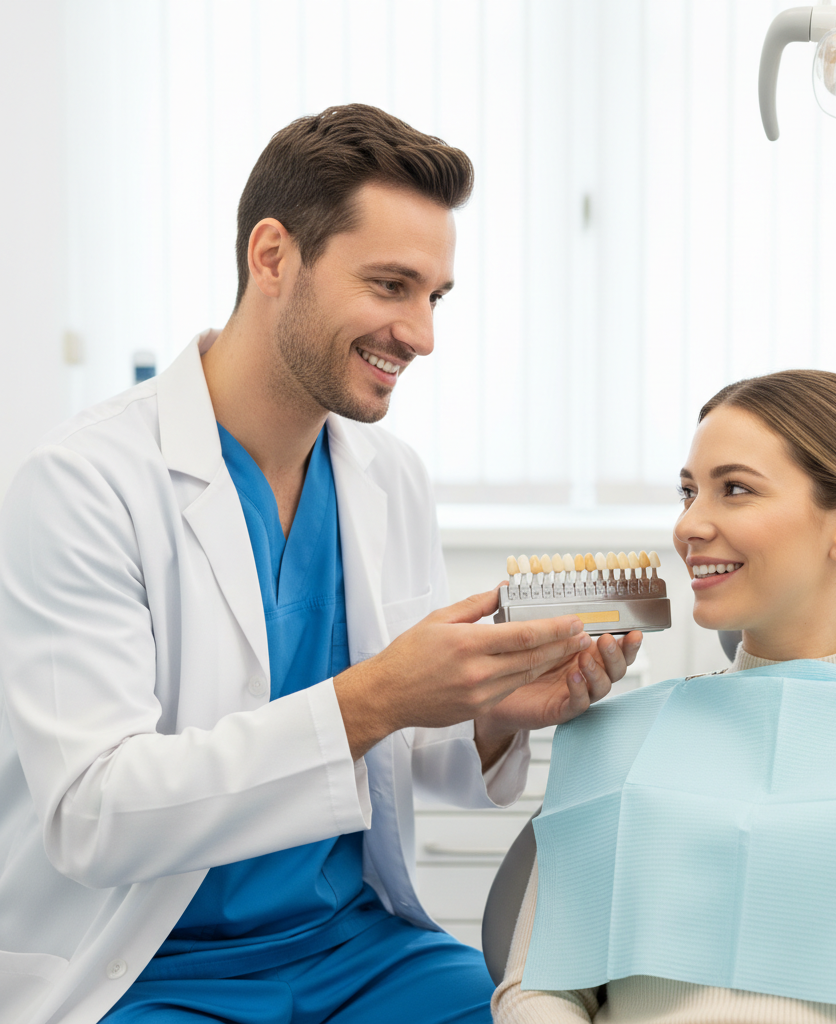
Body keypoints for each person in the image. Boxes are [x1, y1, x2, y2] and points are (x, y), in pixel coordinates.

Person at [0, 104, 642, 1024]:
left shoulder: (388, 476)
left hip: (355, 949)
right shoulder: (82, 484)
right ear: (272, 257)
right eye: (390, 285)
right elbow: (92, 814)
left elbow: (401, 748)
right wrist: (374, 695)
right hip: (146, 967)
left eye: (435, 297)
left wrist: (492, 715)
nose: (421, 334)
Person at [493, 369, 836, 1024]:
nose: (690, 525)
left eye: (735, 489)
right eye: (688, 492)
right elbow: (537, 991)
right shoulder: (616, 733)